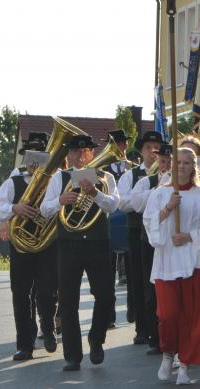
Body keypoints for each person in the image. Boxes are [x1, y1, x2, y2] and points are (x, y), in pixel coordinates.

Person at [40, 134, 120, 371]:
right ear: (68, 155)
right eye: (75, 152)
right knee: (68, 300)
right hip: (69, 243)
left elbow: (114, 205)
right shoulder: (59, 178)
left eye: (84, 152)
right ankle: (73, 356)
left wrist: (95, 193)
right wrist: (61, 200)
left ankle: (96, 340)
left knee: (106, 296)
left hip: (97, 242)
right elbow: (45, 209)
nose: (79, 156)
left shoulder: (106, 178)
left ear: (92, 154)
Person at [143, 148, 200, 384]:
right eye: (178, 162)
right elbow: (149, 224)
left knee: (190, 316)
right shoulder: (160, 194)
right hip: (168, 261)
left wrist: (189, 236)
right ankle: (168, 353)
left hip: (194, 260)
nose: (182, 166)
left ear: (193, 167)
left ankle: (185, 364)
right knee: (168, 314)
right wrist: (167, 209)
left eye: (187, 163)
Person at [0, 135, 58, 361]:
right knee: (20, 294)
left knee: (47, 292)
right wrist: (14, 208)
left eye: (38, 157)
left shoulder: (54, 181)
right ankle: (25, 344)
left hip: (47, 245)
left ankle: (48, 329)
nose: (33, 162)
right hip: (21, 246)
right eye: (30, 157)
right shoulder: (14, 181)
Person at [117, 131, 165, 353]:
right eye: (149, 148)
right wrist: (153, 193)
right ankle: (142, 329)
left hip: (161, 234)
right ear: (141, 151)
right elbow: (124, 203)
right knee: (139, 282)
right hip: (138, 233)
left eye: (157, 148)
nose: (153, 152)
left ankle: (159, 328)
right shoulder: (132, 176)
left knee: (157, 284)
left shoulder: (167, 174)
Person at [103, 129, 132, 329]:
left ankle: (133, 312)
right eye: (117, 144)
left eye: (122, 144)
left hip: (129, 224)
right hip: (109, 225)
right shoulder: (104, 171)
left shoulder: (134, 168)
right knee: (107, 273)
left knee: (133, 272)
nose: (121, 147)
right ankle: (109, 316)